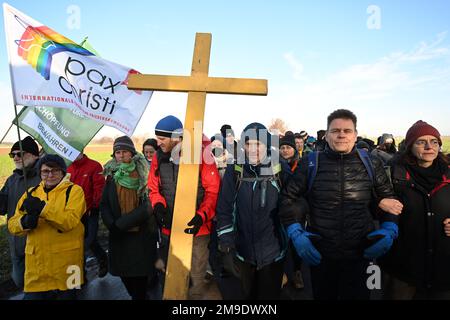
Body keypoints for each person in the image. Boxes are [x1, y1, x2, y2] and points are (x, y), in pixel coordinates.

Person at [279, 109, 403, 300]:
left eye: (347, 130)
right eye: (336, 130)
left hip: (362, 254)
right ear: (327, 135)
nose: (341, 134)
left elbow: (389, 200)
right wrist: (295, 232)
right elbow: (288, 198)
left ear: (355, 135)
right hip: (321, 255)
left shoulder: (372, 163)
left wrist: (390, 228)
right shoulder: (310, 163)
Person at [148, 115, 220, 300]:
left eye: (162, 139)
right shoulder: (158, 157)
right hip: (169, 228)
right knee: (171, 277)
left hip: (198, 228)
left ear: (176, 138)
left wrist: (201, 216)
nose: (158, 143)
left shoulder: (202, 155)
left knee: (196, 278)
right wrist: (158, 207)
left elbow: (213, 191)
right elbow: (153, 187)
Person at [216, 122, 287, 300]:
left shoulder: (279, 168)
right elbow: (224, 207)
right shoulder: (236, 170)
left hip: (273, 253)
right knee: (247, 297)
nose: (253, 149)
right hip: (243, 251)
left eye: (259, 144)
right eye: (249, 144)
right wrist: (226, 240)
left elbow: (292, 202)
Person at [380, 121, 450, 299]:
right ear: (409, 146)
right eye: (421, 142)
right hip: (402, 265)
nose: (429, 147)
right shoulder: (392, 174)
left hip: (442, 266)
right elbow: (368, 204)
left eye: (434, 142)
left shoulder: (448, 173)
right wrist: (378, 204)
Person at [8, 154, 86, 300]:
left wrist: (43, 209)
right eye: (45, 171)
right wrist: (24, 222)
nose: (50, 175)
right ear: (40, 173)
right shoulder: (30, 193)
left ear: (63, 172)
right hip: (37, 267)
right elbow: (12, 225)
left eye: (55, 170)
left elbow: (69, 222)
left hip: (69, 267)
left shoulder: (75, 191)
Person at [100, 136, 157, 300]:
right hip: (119, 237)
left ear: (132, 153)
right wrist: (111, 224)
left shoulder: (143, 173)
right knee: (125, 278)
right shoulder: (111, 175)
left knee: (139, 285)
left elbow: (149, 205)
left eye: (125, 151)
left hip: (140, 236)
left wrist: (122, 224)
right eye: (118, 152)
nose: (121, 155)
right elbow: (104, 203)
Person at [0, 136, 41, 290]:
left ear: (34, 155)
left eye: (20, 153)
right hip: (15, 241)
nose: (16, 157)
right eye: (13, 154)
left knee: (37, 287)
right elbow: (2, 207)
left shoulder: (45, 176)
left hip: (37, 242)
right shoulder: (12, 180)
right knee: (19, 281)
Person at [67, 151, 108, 278]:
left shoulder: (94, 166)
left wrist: (94, 206)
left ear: (81, 150)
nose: (73, 154)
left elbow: (99, 187)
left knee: (89, 240)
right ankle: (79, 275)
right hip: (73, 212)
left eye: (76, 151)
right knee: (77, 243)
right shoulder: (68, 168)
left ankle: (103, 259)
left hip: (90, 211)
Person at [279, 133, 305, 290]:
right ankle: (280, 273)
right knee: (280, 242)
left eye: (288, 147)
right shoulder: (275, 165)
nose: (285, 150)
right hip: (280, 210)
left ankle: (297, 272)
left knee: (296, 245)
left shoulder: (301, 165)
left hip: (297, 212)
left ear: (294, 149)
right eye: (282, 147)